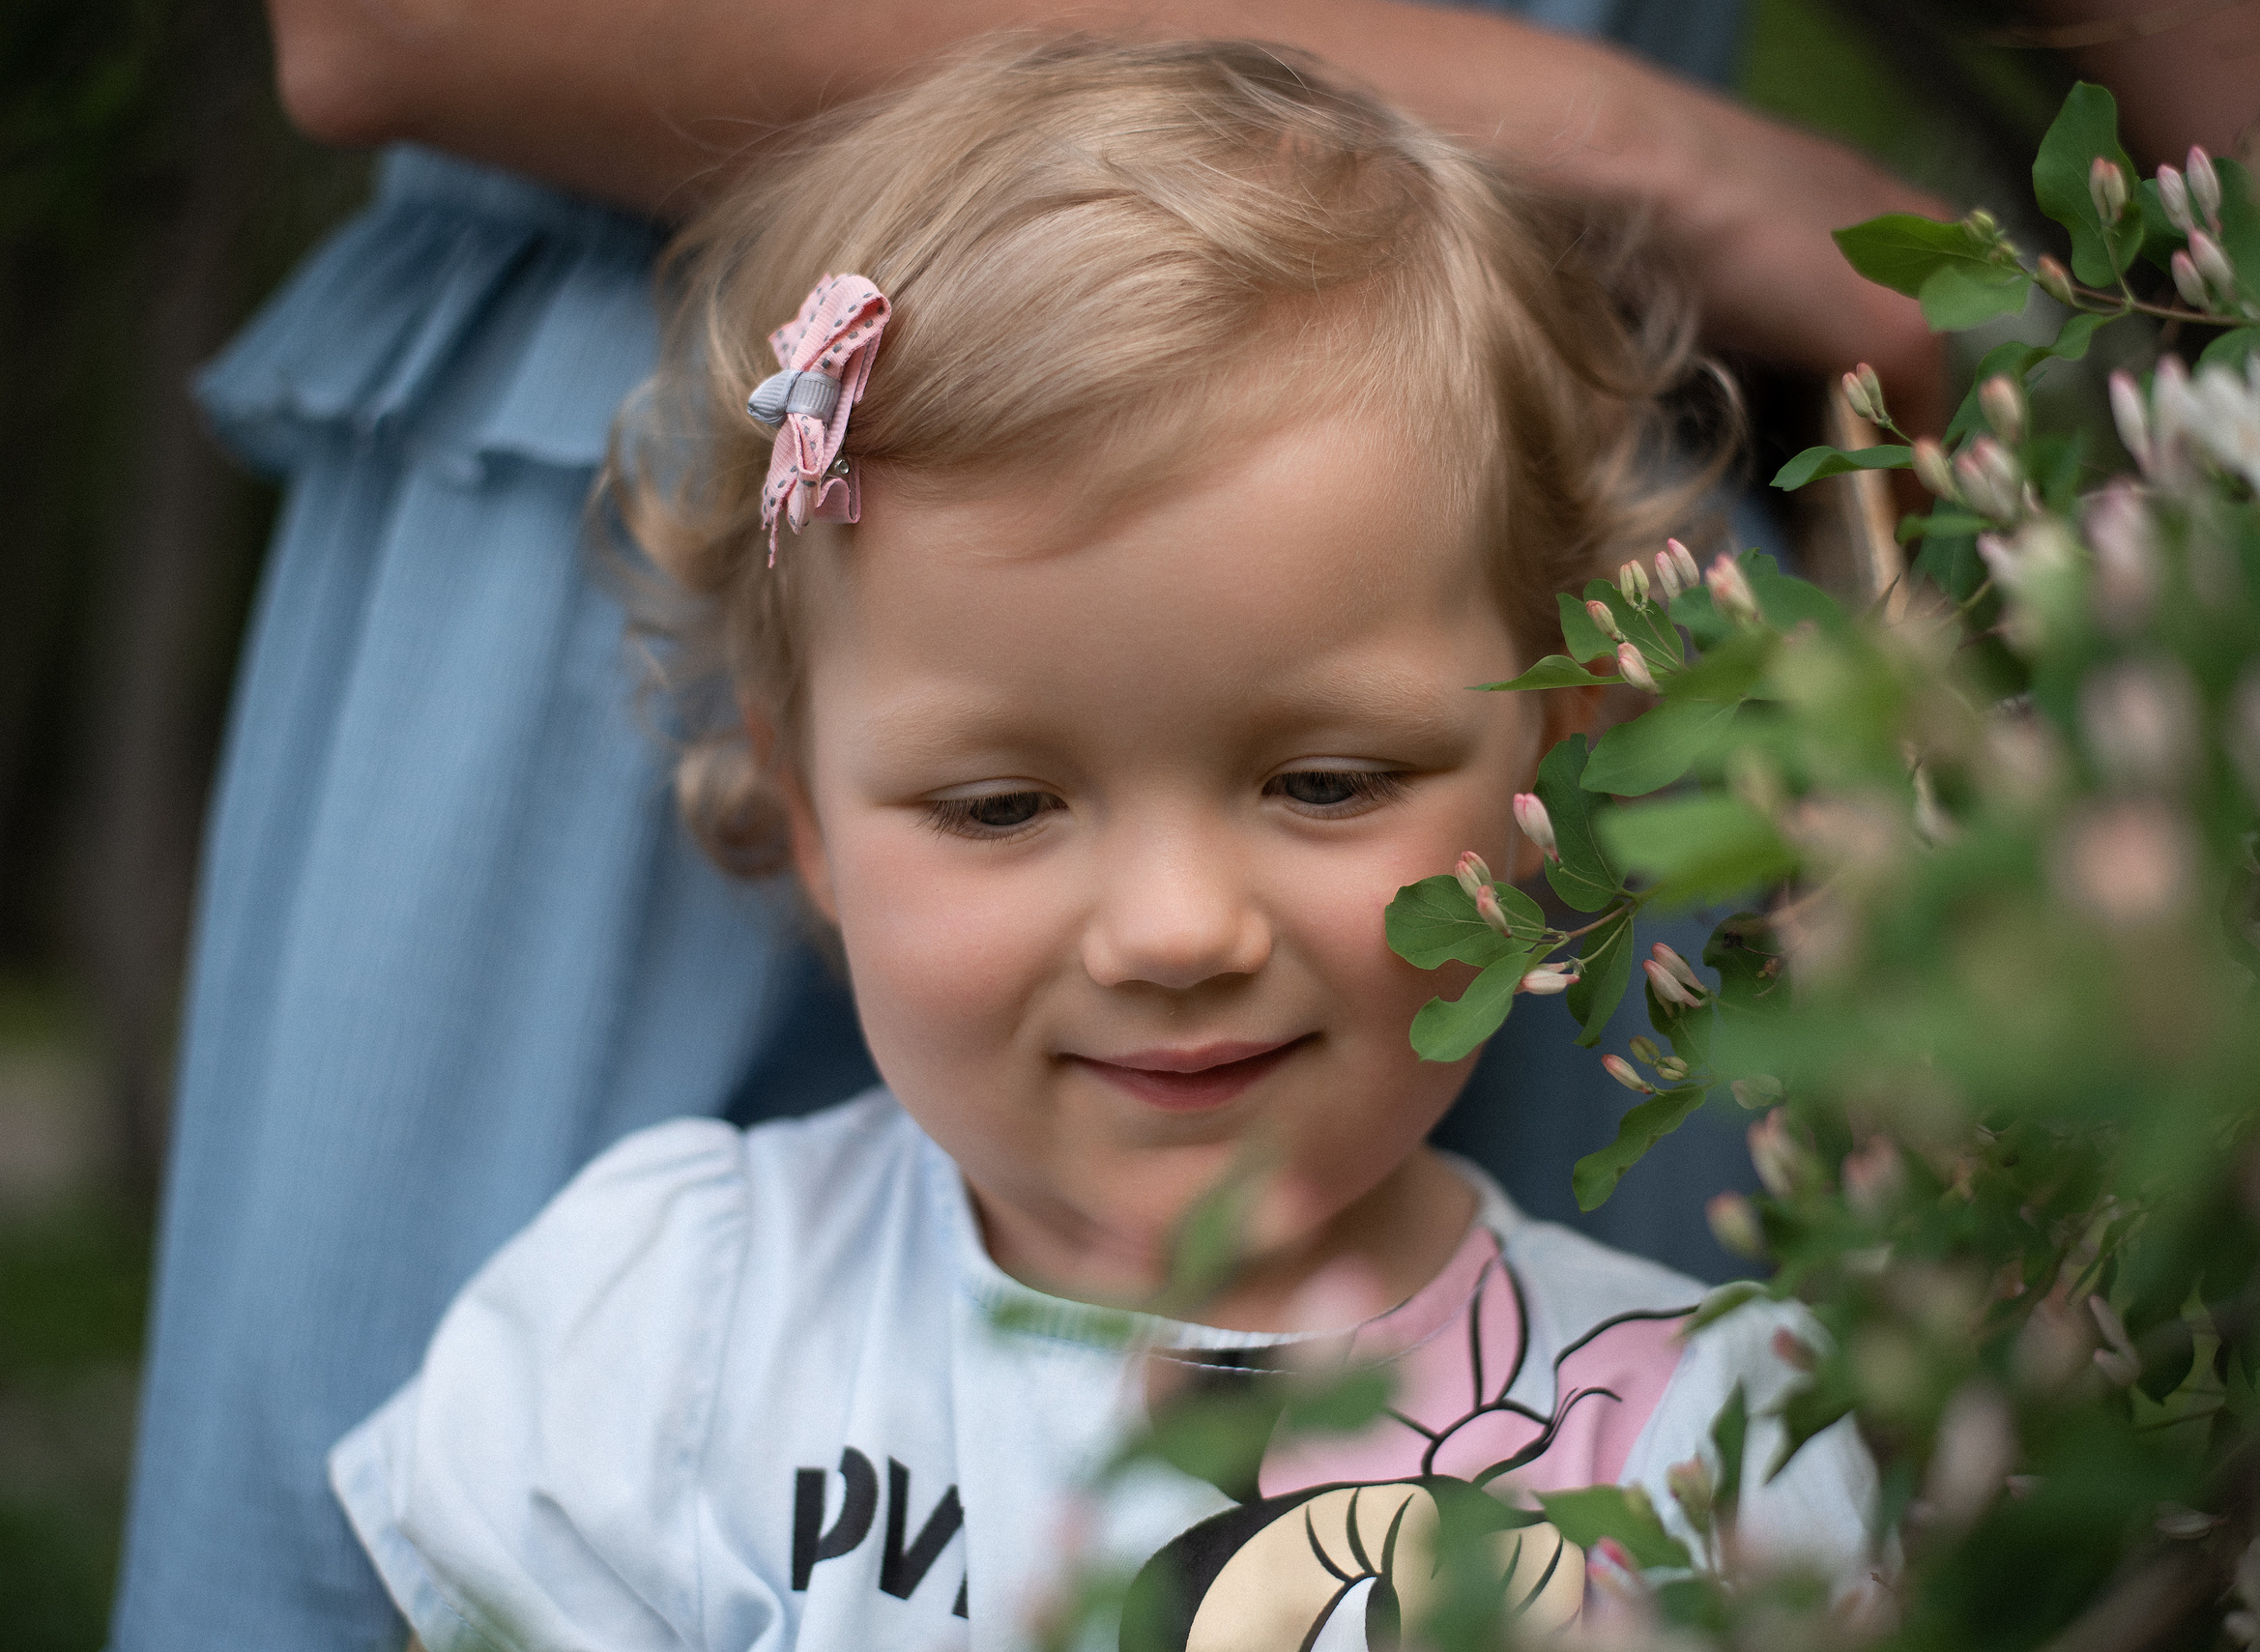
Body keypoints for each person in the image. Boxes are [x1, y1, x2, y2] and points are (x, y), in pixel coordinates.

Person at [330, 42, 1882, 1651]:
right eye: (1001, 806)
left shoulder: (1699, 1453)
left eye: (1329, 781)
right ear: (801, 810)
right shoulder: (666, 1346)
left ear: (1552, 761)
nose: (1174, 928)